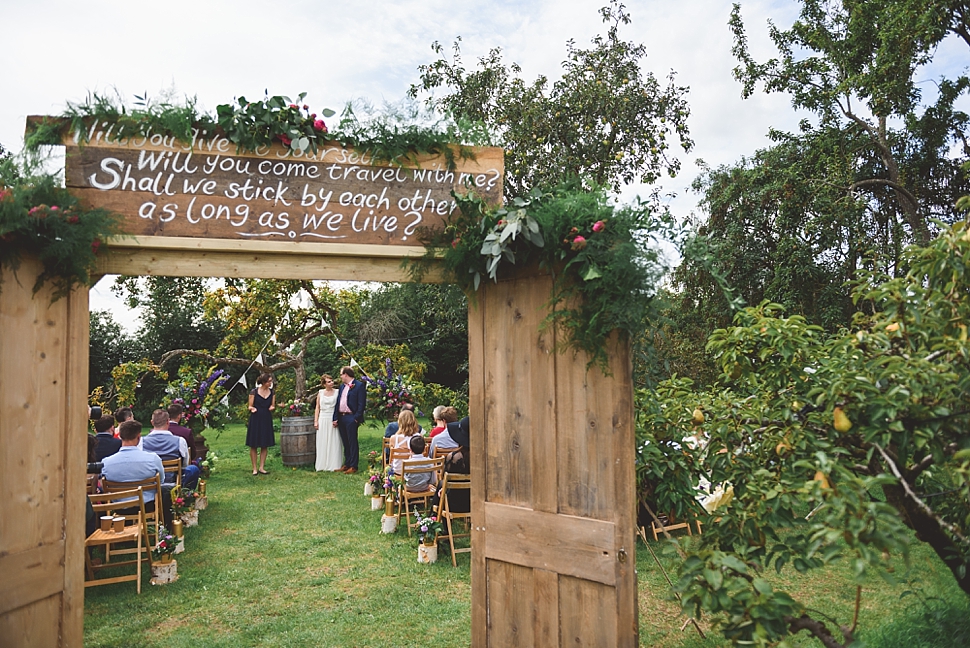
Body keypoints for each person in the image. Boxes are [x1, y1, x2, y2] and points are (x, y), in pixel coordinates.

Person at [102, 419, 173, 526]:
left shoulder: (106, 463)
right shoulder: (152, 459)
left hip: (119, 507)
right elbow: (161, 481)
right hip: (146, 505)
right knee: (166, 490)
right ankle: (166, 528)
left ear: (120, 436)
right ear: (139, 437)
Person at [141, 409, 200, 490]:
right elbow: (185, 465)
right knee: (193, 469)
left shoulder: (141, 442)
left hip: (151, 482)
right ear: (168, 422)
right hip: (174, 481)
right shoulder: (180, 441)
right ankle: (184, 496)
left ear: (152, 422)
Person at [332, 366, 366, 474]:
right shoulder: (342, 387)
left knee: (352, 442)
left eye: (341, 374)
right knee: (345, 442)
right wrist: (335, 417)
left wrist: (356, 418)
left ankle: (353, 465)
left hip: (351, 417)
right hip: (342, 417)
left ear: (346, 374)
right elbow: (338, 402)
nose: (340, 376)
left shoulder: (359, 386)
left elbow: (361, 404)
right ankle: (347, 463)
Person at [246, 373, 276, 475]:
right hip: (256, 418)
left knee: (265, 444)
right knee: (253, 444)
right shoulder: (254, 392)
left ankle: (262, 467)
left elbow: (273, 405)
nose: (270, 383)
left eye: (271, 381)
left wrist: (272, 407)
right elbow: (249, 406)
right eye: (269, 381)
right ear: (263, 382)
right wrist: (252, 408)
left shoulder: (272, 392)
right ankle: (254, 468)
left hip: (266, 418)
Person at [314, 374, 342, 471]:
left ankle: (334, 464)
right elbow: (317, 407)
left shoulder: (337, 392)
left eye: (332, 380)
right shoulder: (320, 393)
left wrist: (337, 419)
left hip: (332, 418)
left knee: (334, 440)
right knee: (323, 440)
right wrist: (316, 421)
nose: (332, 383)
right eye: (329, 382)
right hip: (323, 418)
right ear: (324, 384)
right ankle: (322, 464)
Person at [388, 409, 420, 475]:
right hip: (414, 470)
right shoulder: (419, 437)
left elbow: (391, 455)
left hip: (398, 470)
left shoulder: (394, 438)